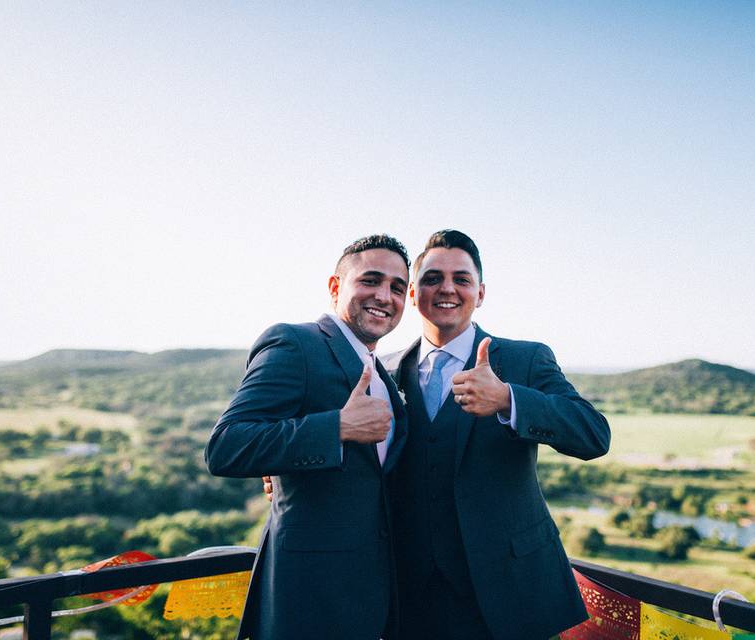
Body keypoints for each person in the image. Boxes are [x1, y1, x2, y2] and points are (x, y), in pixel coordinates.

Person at [385, 229, 611, 640]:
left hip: (509, 593)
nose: (447, 288)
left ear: (481, 293)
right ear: (415, 293)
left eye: (461, 279)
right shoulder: (385, 369)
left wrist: (509, 399)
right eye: (433, 278)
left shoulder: (524, 359)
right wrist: (282, 474)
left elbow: (594, 434)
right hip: (412, 597)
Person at [205, 234, 411, 640]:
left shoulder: (382, 370)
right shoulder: (295, 343)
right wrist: (336, 428)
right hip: (309, 599)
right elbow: (227, 445)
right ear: (336, 287)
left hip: (375, 599)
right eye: (370, 280)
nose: (384, 296)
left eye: (397, 287)